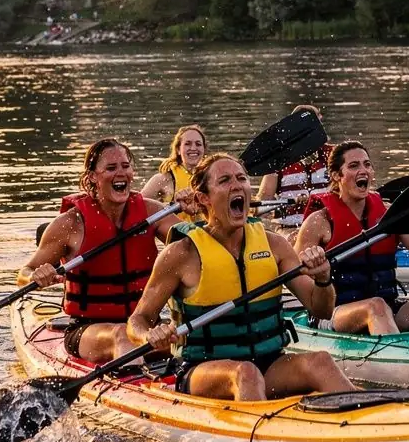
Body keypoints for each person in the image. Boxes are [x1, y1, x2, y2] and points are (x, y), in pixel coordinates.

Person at [127, 152, 352, 401]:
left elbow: (322, 310)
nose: (237, 185)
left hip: (269, 363)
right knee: (245, 373)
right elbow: (138, 320)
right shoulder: (181, 254)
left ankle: (368, 418)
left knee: (321, 362)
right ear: (203, 198)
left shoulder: (274, 245)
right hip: (202, 370)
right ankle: (262, 426)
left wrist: (323, 279)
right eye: (224, 180)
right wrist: (149, 335)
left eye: (241, 178)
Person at [19, 137, 188, 363]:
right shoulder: (70, 224)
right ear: (92, 177)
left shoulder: (152, 213)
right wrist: (35, 275)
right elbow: (24, 273)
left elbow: (198, 245)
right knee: (122, 335)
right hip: (88, 329)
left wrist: (205, 207)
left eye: (125, 166)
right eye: (111, 168)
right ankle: (137, 380)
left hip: (145, 326)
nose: (121, 173)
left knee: (188, 335)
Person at [294, 140, 409, 336]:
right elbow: (296, 275)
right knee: (376, 306)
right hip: (334, 316)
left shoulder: (389, 216)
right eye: (353, 166)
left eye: (367, 164)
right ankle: (399, 355)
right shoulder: (319, 221)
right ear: (337, 175)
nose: (363, 170)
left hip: (387, 310)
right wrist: (314, 266)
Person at [254, 103, 331, 227]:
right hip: (289, 229)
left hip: (328, 227)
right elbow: (261, 206)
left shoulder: (334, 155)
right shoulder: (278, 161)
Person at [141, 124, 207, 217]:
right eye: (187, 144)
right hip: (173, 226)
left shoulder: (212, 179)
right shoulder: (162, 179)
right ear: (178, 150)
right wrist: (173, 206)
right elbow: (137, 206)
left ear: (204, 149)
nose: (193, 148)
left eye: (198, 144)